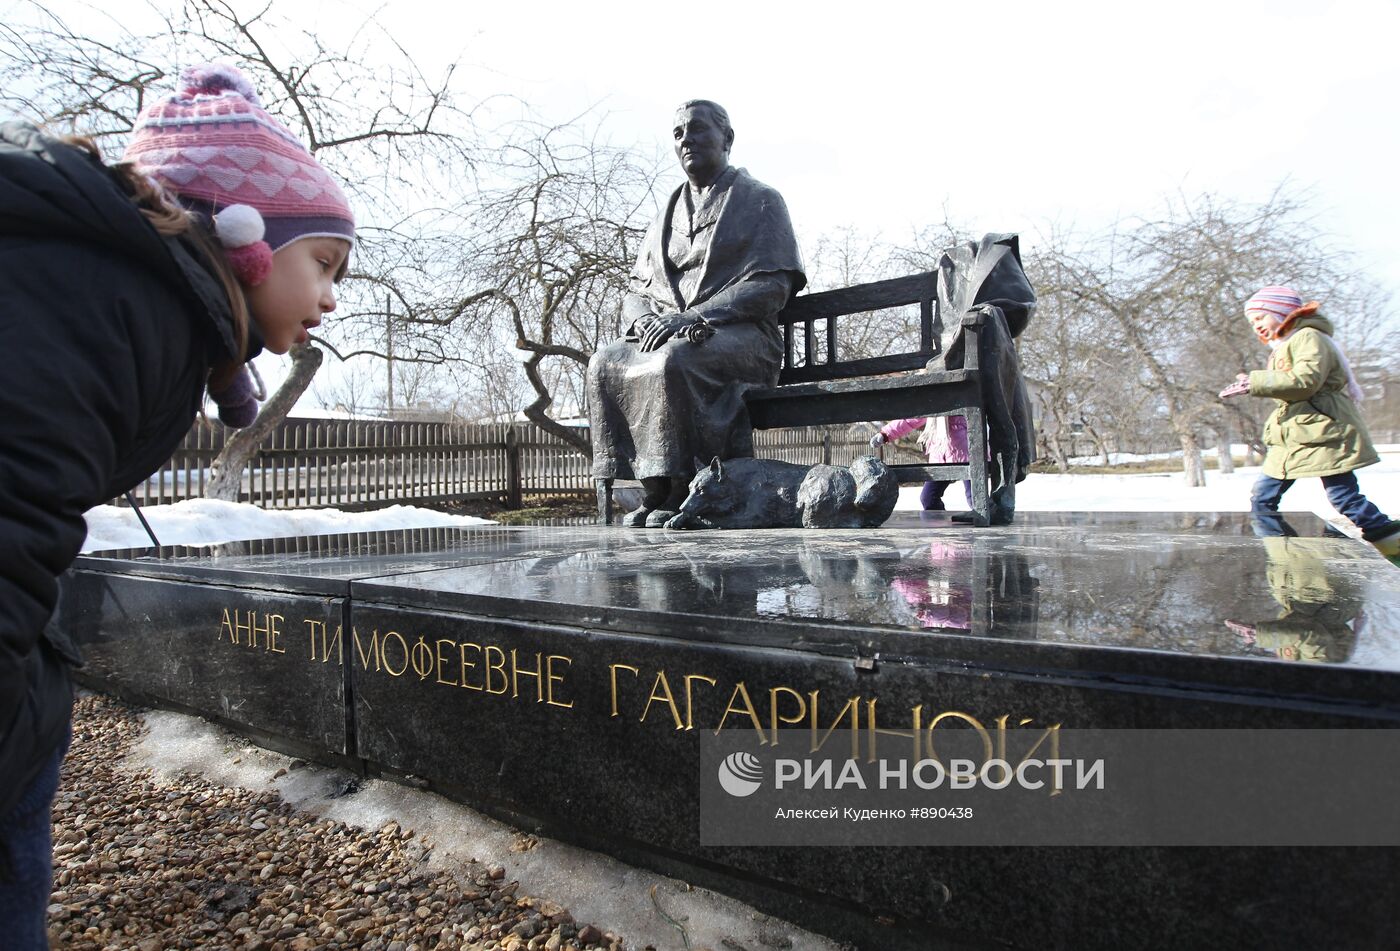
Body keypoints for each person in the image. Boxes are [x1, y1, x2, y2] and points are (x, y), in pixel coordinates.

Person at [0, 64, 354, 947]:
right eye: (324, 261)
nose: (331, 295)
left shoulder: (129, 302)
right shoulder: (120, 308)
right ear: (248, 238)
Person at [586, 100, 806, 527]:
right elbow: (636, 289)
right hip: (671, 334)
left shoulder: (760, 201)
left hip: (743, 339)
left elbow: (771, 287)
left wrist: (692, 318)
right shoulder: (664, 215)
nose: (686, 139)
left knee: (676, 360)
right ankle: (653, 489)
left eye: (698, 129)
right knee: (603, 362)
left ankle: (687, 486)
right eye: (678, 133)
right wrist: (643, 319)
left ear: (727, 138)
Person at [1219, 286, 1399, 564]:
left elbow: (1306, 381)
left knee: (1343, 498)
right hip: (1297, 436)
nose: (1256, 327)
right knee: (1263, 498)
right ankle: (1281, 558)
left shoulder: (1308, 337)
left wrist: (1255, 382)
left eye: (1260, 318)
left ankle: (1391, 541)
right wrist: (1255, 381)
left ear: (1281, 312)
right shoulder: (1290, 342)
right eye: (1252, 322)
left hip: (1323, 433)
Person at [869, 416, 975, 513]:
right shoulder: (932, 403)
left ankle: (985, 523)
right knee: (928, 498)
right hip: (940, 454)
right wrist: (886, 433)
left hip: (967, 453)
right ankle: (940, 528)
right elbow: (911, 419)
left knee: (974, 498)